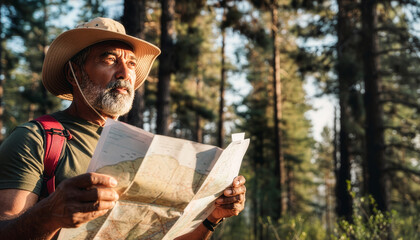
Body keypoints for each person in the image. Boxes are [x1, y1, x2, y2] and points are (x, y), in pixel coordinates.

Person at [0, 17, 246, 239]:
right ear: (73, 72)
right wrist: (50, 213)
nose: (125, 73)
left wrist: (212, 218)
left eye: (131, 63)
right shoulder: (36, 139)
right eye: (109, 59)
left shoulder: (145, 149)